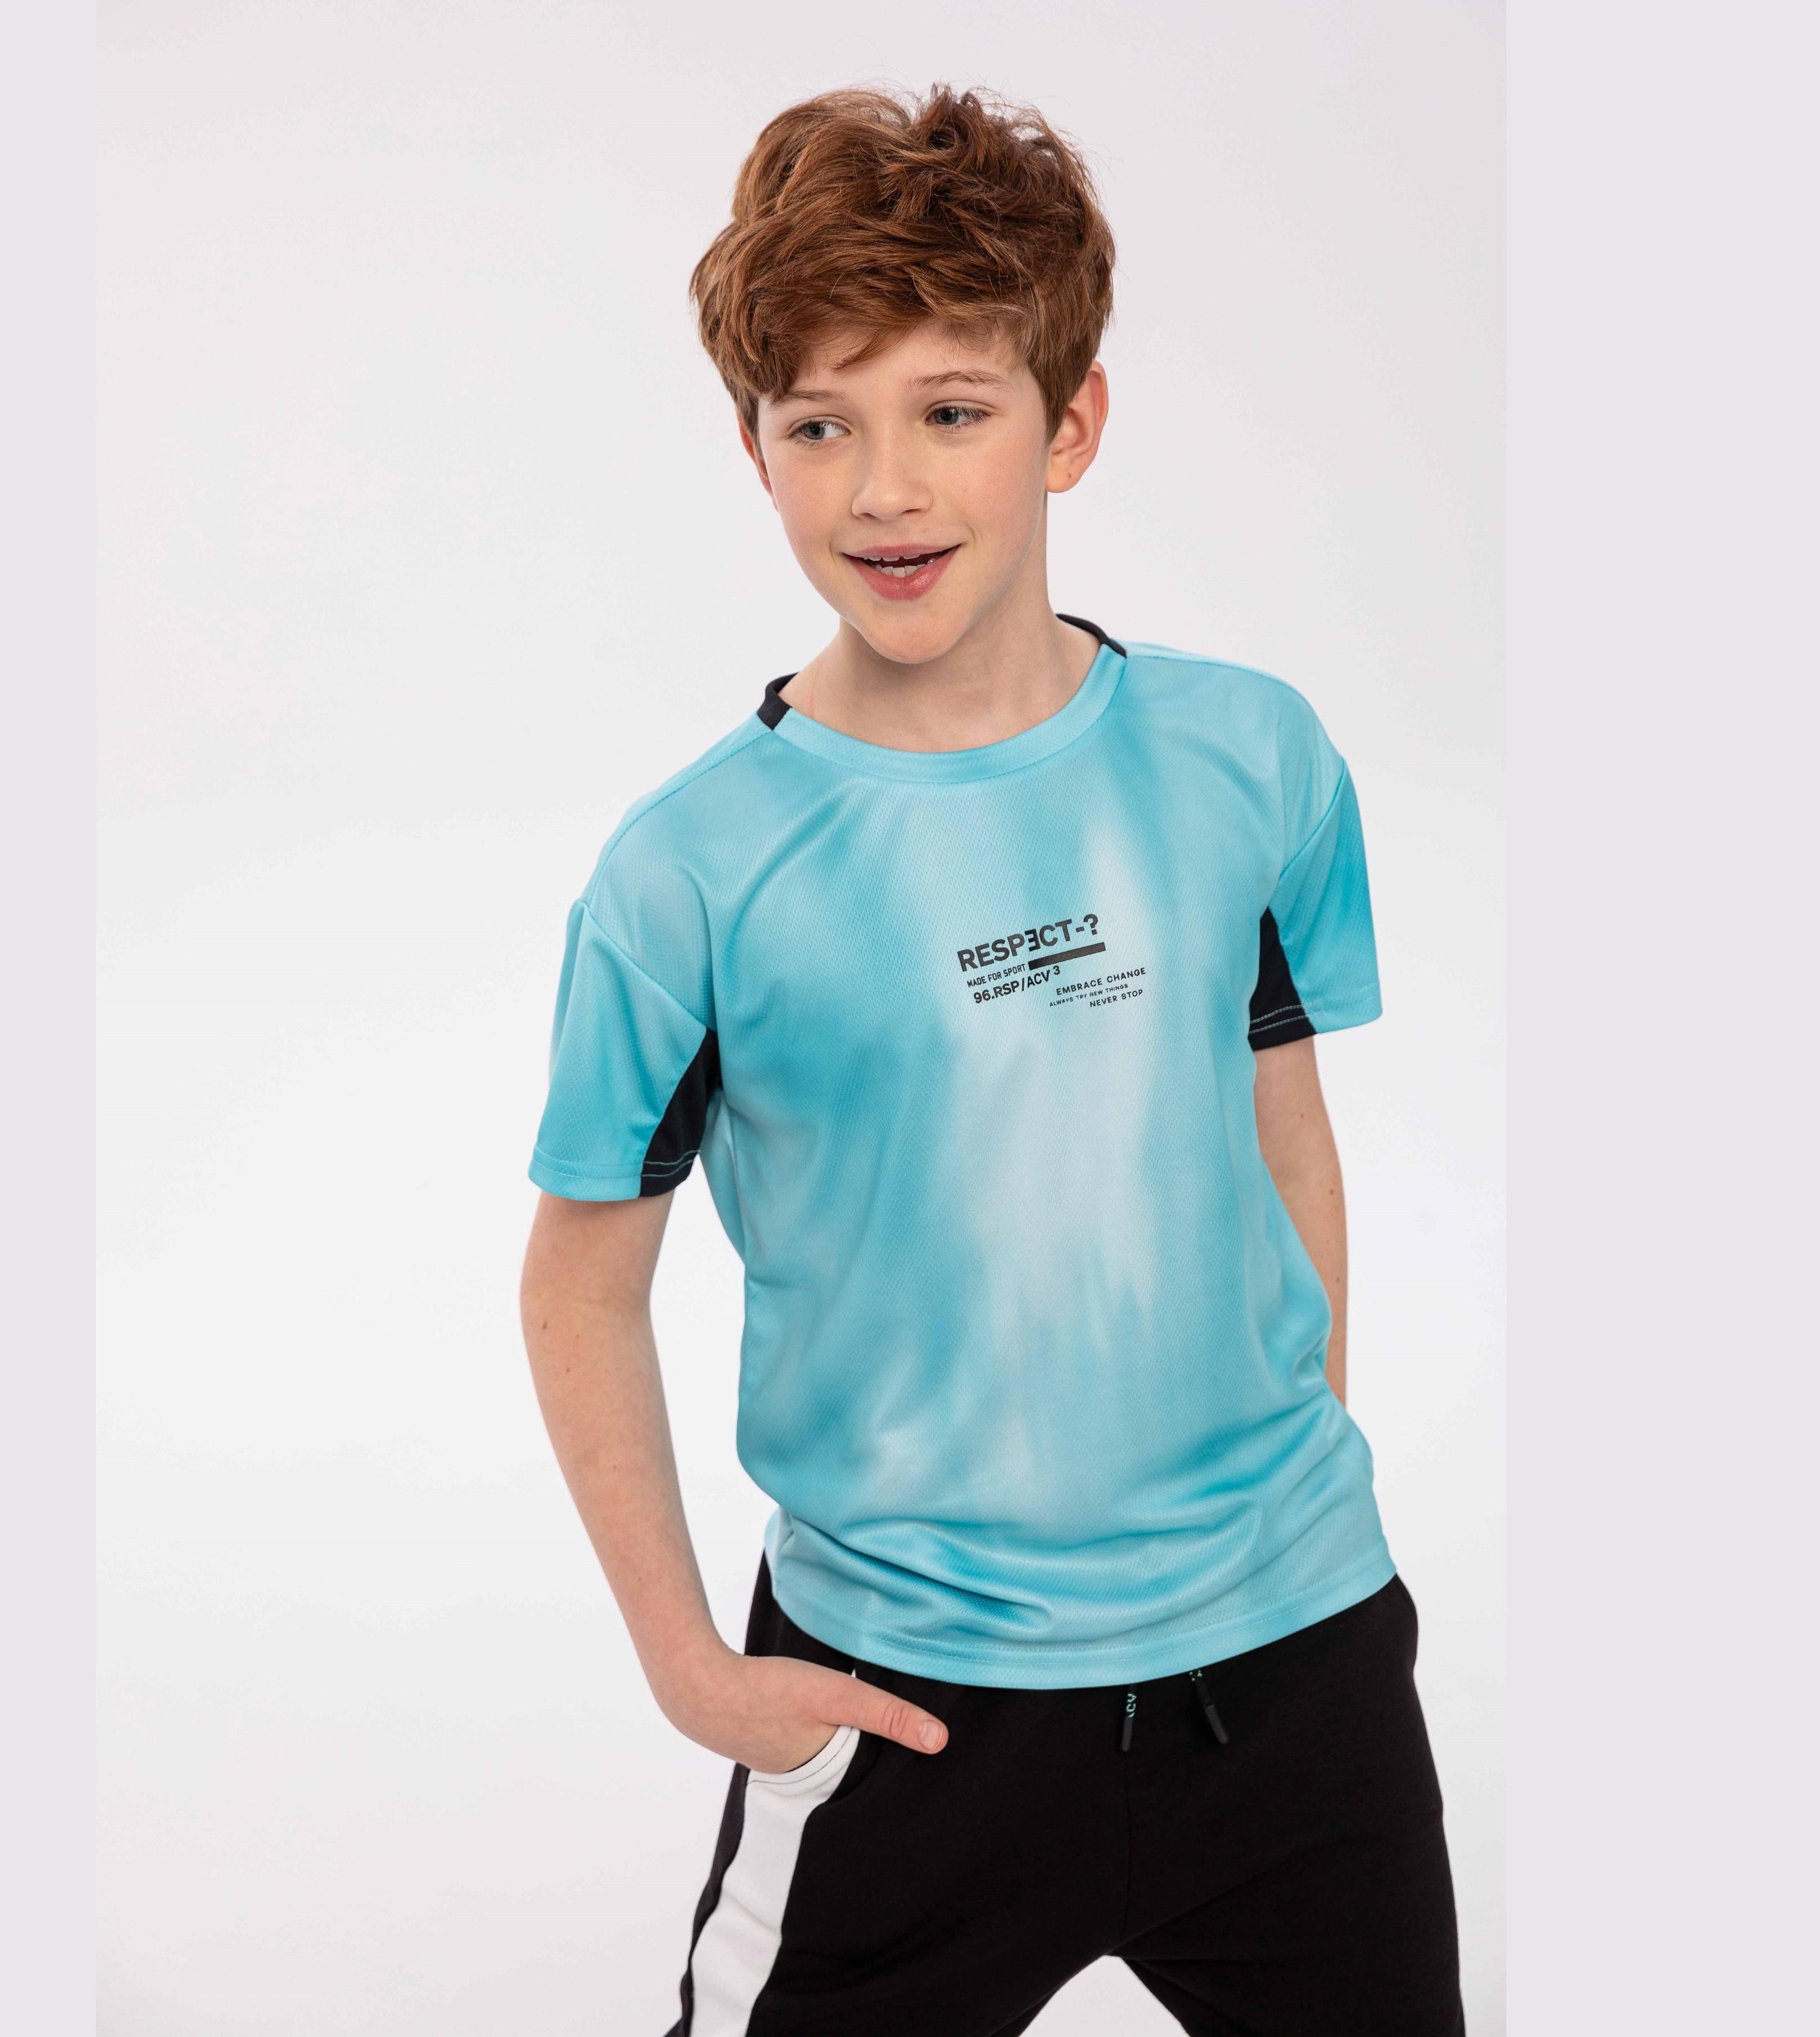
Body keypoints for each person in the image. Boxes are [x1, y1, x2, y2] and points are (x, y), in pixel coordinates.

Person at [517, 83, 1463, 2036]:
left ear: (1071, 424)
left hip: (1293, 1685)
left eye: (951, 410)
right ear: (754, 445)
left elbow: (1284, 1142)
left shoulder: (1246, 759)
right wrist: (692, 1665)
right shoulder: (691, 870)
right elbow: (577, 1281)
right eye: (818, 422)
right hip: (904, 1710)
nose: (884, 487)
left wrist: (1289, 1502)